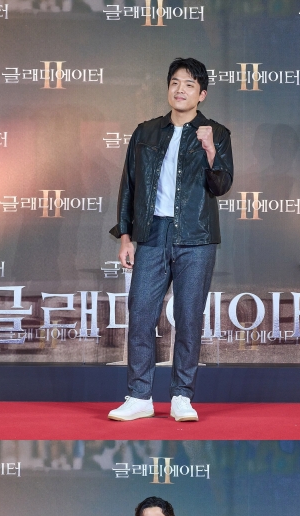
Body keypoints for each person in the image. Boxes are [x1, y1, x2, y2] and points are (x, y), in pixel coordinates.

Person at [108, 58, 234, 423]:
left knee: (189, 317)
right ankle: (138, 396)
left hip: (197, 237)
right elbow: (129, 186)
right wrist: (126, 237)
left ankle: (182, 396)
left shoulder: (217, 133)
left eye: (189, 85)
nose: (181, 90)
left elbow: (222, 185)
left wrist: (210, 149)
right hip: (152, 234)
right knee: (141, 315)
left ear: (202, 94)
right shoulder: (145, 132)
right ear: (168, 88)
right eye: (175, 83)